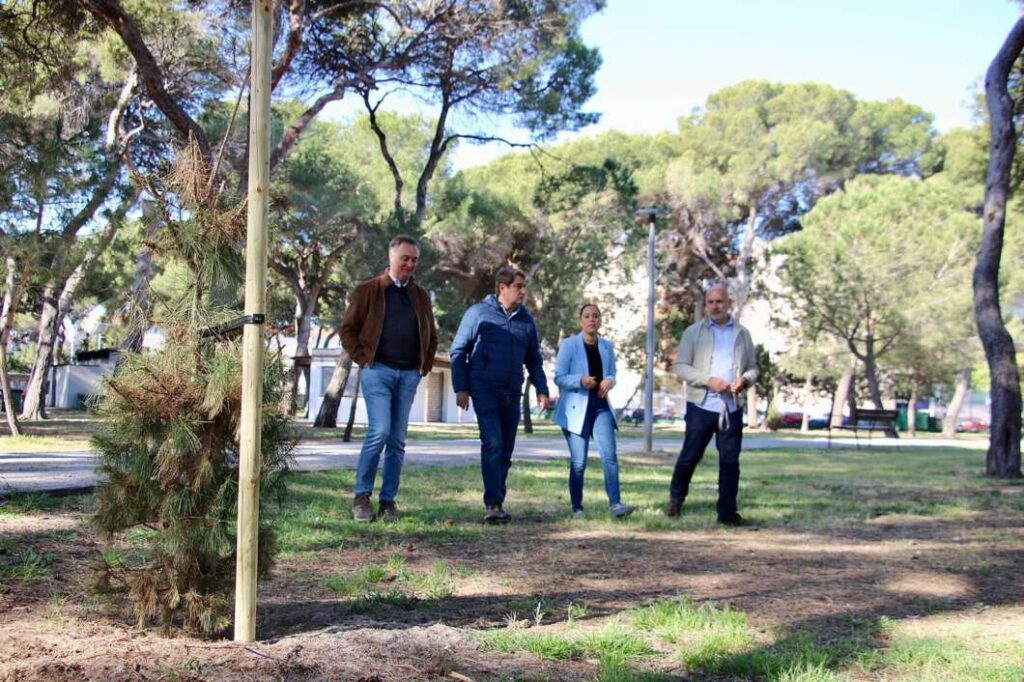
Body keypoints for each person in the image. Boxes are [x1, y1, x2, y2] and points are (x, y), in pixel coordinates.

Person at [340, 235, 438, 522]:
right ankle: (361, 497)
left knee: (397, 440)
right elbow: (348, 330)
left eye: (414, 260)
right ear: (391, 257)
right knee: (379, 432)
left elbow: (431, 334)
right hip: (377, 372)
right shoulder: (369, 290)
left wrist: (425, 365)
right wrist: (363, 359)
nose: (410, 264)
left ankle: (388, 502)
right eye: (405, 258)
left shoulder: (420, 295)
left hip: (408, 374)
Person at [450, 267, 550, 524]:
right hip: (484, 389)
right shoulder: (478, 314)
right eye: (518, 286)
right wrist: (461, 388)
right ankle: (492, 503)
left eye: (523, 286)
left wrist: (541, 389)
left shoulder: (526, 320)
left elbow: (534, 359)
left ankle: (498, 501)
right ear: (502, 288)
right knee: (492, 443)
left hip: (512, 392)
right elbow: (459, 351)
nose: (523, 291)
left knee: (505, 450)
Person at [667, 283, 758, 526]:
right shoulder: (693, 332)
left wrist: (745, 380)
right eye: (711, 302)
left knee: (730, 461)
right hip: (701, 406)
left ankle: (727, 513)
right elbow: (682, 367)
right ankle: (676, 500)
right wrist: (709, 381)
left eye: (720, 301)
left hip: (731, 408)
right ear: (706, 304)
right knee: (690, 455)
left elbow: (753, 368)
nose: (715, 306)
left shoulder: (742, 334)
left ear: (729, 303)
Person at [553, 303, 635, 519]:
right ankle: (577, 507)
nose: (592, 319)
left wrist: (610, 381)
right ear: (581, 320)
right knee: (579, 462)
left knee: (610, 456)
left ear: (600, 321)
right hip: (575, 409)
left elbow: (612, 374)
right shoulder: (570, 345)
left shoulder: (607, 347)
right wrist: (580, 380)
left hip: (600, 407)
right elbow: (559, 377)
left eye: (596, 316)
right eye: (587, 316)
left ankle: (616, 504)